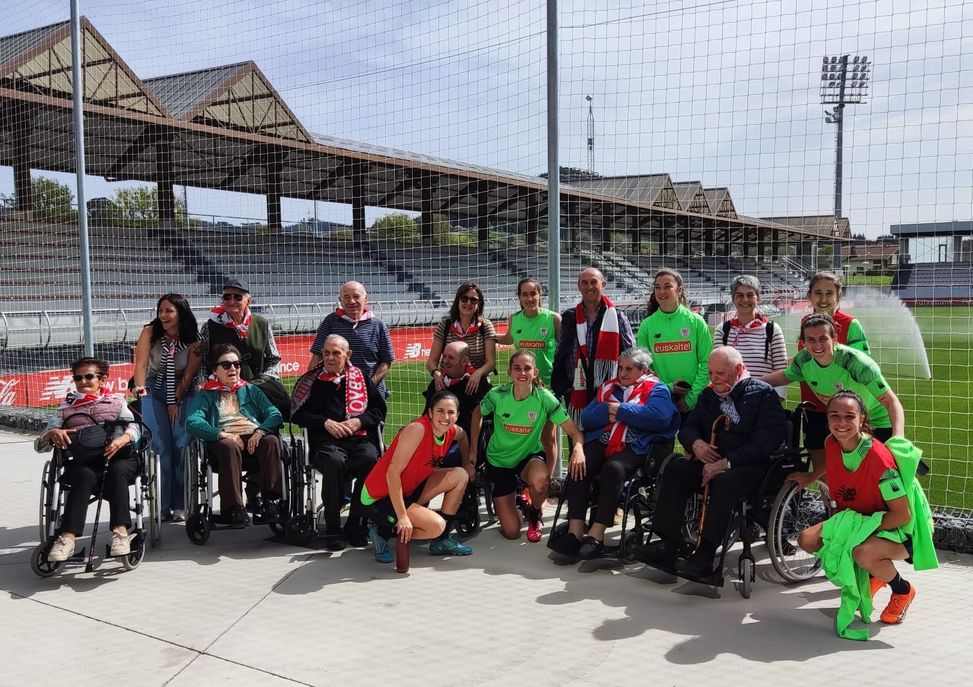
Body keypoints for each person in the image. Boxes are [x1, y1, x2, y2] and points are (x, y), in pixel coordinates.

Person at [638, 347, 787, 577]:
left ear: (738, 369)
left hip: (750, 467)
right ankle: (668, 544)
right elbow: (688, 427)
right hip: (711, 461)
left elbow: (766, 442)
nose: (714, 378)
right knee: (677, 469)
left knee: (724, 482)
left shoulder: (762, 393)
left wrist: (726, 462)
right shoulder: (708, 395)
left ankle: (705, 555)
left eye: (720, 373)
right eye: (710, 373)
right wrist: (696, 443)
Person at [797, 391, 937, 632]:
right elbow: (832, 463)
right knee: (807, 539)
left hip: (904, 529)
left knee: (861, 552)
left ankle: (902, 590)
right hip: (861, 519)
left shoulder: (879, 460)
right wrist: (810, 476)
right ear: (827, 419)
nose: (841, 422)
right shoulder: (831, 443)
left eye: (849, 416)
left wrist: (855, 533)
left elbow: (902, 515)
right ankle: (873, 575)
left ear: (861, 419)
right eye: (834, 415)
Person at [552, 347, 680, 559]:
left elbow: (658, 418)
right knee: (580, 464)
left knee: (614, 468)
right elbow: (587, 418)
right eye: (621, 368)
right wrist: (611, 410)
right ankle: (575, 531)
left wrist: (617, 410)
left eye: (629, 369)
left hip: (636, 445)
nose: (622, 373)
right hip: (603, 440)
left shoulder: (657, 390)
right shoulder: (609, 387)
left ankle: (596, 535)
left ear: (643, 370)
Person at [762, 313, 905, 489]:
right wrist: (746, 382)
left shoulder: (855, 363)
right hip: (849, 421)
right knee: (850, 477)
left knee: (885, 482)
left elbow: (891, 401)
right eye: (811, 340)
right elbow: (784, 376)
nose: (817, 345)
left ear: (834, 339)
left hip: (878, 422)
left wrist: (898, 437)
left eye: (823, 338)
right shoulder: (804, 360)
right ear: (803, 342)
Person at [470, 350, 586, 542]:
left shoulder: (545, 398)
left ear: (535, 372)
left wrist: (578, 449)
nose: (522, 373)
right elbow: (477, 414)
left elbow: (575, 432)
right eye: (517, 368)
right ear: (509, 372)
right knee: (512, 532)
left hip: (528, 458)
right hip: (499, 461)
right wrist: (474, 450)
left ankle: (534, 513)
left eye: (527, 368)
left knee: (542, 481)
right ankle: (520, 502)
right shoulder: (497, 395)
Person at [35, 357, 142, 562]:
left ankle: (121, 533)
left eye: (89, 376)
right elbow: (40, 446)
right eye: (78, 378)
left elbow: (136, 427)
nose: (83, 381)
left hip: (118, 457)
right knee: (82, 475)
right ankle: (67, 539)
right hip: (84, 461)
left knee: (117, 471)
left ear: (102, 379)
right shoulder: (65, 408)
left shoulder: (117, 401)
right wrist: (52, 433)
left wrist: (124, 438)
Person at [291, 334, 387, 551]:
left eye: (336, 353)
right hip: (326, 441)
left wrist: (359, 421)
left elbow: (379, 410)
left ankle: (356, 523)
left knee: (370, 460)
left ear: (347, 355)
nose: (330, 357)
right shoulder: (312, 381)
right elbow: (298, 414)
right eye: (326, 353)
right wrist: (324, 423)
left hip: (358, 438)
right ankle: (333, 527)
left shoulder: (361, 378)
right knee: (334, 462)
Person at [360, 391, 474, 563]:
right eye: (440, 411)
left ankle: (441, 541)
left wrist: (467, 463)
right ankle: (382, 532)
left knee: (460, 475)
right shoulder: (418, 429)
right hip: (380, 495)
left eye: (451, 412)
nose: (445, 417)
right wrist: (402, 516)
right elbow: (392, 473)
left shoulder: (452, 431)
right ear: (430, 413)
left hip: (409, 489)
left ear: (457, 415)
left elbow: (463, 436)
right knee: (436, 526)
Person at [185, 344, 284, 527]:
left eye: (236, 364)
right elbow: (192, 422)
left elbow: (274, 414)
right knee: (229, 446)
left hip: (252, 436)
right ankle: (234, 509)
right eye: (226, 365)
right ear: (215, 370)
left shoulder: (251, 390)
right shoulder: (207, 394)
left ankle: (271, 502)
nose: (233, 368)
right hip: (224, 440)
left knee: (271, 441)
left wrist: (260, 431)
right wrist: (221, 434)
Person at [794, 271, 871, 481]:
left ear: (839, 297)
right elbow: (802, 363)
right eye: (818, 293)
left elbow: (862, 368)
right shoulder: (806, 322)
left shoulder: (851, 325)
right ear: (809, 296)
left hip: (843, 410)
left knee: (850, 468)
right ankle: (829, 502)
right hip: (813, 407)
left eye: (829, 293)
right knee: (821, 469)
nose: (823, 298)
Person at [132, 293, 202, 522]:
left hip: (183, 389)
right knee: (160, 445)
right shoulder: (150, 332)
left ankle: (180, 503)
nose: (163, 315)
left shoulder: (194, 339)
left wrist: (175, 400)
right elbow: (141, 364)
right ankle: (161, 505)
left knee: (182, 443)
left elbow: (189, 375)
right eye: (161, 310)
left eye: (169, 311)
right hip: (154, 388)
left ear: (181, 313)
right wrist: (140, 389)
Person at [552, 267, 634, 428]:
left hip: (608, 391)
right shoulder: (569, 316)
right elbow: (561, 352)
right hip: (576, 390)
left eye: (593, 282)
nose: (589, 287)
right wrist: (565, 387)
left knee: (604, 437)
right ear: (579, 287)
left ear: (603, 285)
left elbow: (630, 353)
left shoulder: (617, 316)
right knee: (577, 436)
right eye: (584, 283)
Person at [496, 277, 562, 466]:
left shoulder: (553, 319)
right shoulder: (514, 319)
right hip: (522, 388)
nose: (529, 298)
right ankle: (523, 475)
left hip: (548, 387)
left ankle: (549, 479)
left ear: (540, 295)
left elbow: (565, 347)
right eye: (524, 294)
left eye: (533, 293)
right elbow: (509, 339)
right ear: (519, 297)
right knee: (522, 435)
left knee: (548, 438)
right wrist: (488, 335)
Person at [199, 278, 287, 415]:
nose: (231, 301)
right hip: (222, 393)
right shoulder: (210, 326)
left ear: (248, 301)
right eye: (227, 297)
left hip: (256, 391)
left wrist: (264, 381)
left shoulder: (261, 324)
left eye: (237, 297)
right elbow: (202, 360)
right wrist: (203, 381)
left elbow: (273, 358)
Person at [635, 268, 711, 414]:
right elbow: (643, 368)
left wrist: (691, 398)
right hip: (660, 398)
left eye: (667, 286)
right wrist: (667, 388)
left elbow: (707, 362)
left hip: (694, 401)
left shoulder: (696, 321)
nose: (661, 292)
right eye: (657, 287)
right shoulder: (647, 325)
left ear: (679, 290)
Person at [308, 281, 394, 398]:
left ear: (366, 298)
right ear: (340, 300)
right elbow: (317, 356)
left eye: (356, 296)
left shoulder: (378, 325)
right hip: (336, 393)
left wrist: (368, 386)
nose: (351, 301)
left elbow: (386, 362)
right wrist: (309, 385)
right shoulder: (330, 322)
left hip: (371, 394)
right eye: (346, 297)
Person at [713, 275, 787, 397]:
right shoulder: (723, 330)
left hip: (764, 400)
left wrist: (777, 400)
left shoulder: (772, 329)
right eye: (740, 295)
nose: (745, 300)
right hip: (730, 401)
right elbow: (717, 369)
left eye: (750, 295)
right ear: (733, 299)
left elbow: (782, 371)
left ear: (758, 298)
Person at [426, 281, 497, 396]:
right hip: (446, 385)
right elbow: (432, 361)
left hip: (475, 386)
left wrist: (478, 374)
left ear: (479, 304)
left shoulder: (485, 326)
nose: (468, 303)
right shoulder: (445, 326)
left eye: (473, 300)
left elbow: (491, 363)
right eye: (464, 299)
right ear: (458, 301)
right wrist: (436, 373)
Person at [421, 340, 491, 444]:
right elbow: (427, 413)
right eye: (444, 356)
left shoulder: (478, 383)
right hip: (439, 435)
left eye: (451, 357)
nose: (445, 361)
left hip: (466, 439)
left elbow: (477, 419)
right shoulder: (438, 382)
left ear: (464, 361)